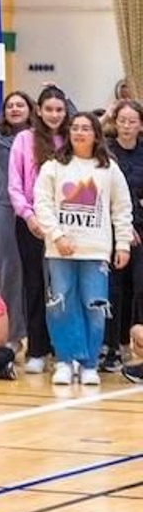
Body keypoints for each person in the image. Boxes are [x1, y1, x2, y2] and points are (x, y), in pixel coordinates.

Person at [32, 111, 132, 386]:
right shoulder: (53, 166)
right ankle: (65, 360)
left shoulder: (109, 168)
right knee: (61, 305)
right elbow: (42, 204)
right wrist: (57, 235)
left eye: (86, 128)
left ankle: (88, 363)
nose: (79, 132)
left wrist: (122, 243)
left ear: (96, 134)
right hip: (60, 249)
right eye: (74, 127)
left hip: (95, 250)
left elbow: (122, 208)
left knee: (94, 306)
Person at [8, 86, 69, 373]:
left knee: (63, 287)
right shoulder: (24, 139)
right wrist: (29, 216)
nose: (54, 115)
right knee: (34, 284)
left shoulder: (72, 140)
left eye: (59, 109)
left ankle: (63, 350)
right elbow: (15, 186)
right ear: (39, 111)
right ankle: (37, 349)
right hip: (30, 224)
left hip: (67, 225)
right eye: (49, 109)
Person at [0, 91, 32, 347]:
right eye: (10, 105)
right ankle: (14, 335)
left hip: (37, 209)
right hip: (5, 207)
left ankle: (40, 337)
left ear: (30, 109)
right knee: (9, 271)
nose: (15, 109)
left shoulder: (41, 138)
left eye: (20, 104)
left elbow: (68, 122)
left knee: (39, 274)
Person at [104, 99, 143, 371]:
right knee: (114, 289)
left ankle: (135, 344)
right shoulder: (105, 153)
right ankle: (112, 348)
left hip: (141, 228)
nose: (127, 126)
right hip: (112, 228)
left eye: (132, 121)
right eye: (122, 120)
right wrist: (124, 227)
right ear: (114, 122)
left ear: (140, 125)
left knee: (138, 288)